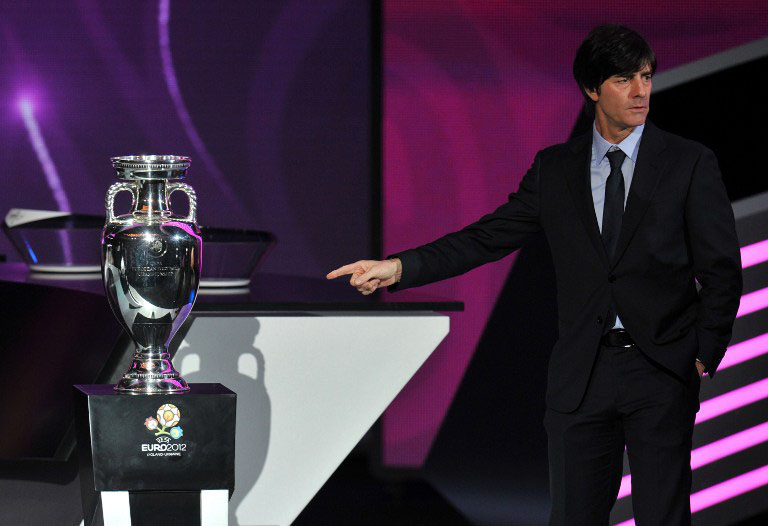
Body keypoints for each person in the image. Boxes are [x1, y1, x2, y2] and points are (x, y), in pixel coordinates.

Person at [326, 24, 742, 525]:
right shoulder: (555, 170)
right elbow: (486, 237)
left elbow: (720, 269)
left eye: (646, 77)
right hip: (581, 377)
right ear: (592, 88)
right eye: (623, 79)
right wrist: (397, 267)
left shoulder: (688, 163)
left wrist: (701, 354)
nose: (640, 92)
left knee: (664, 517)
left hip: (661, 371)